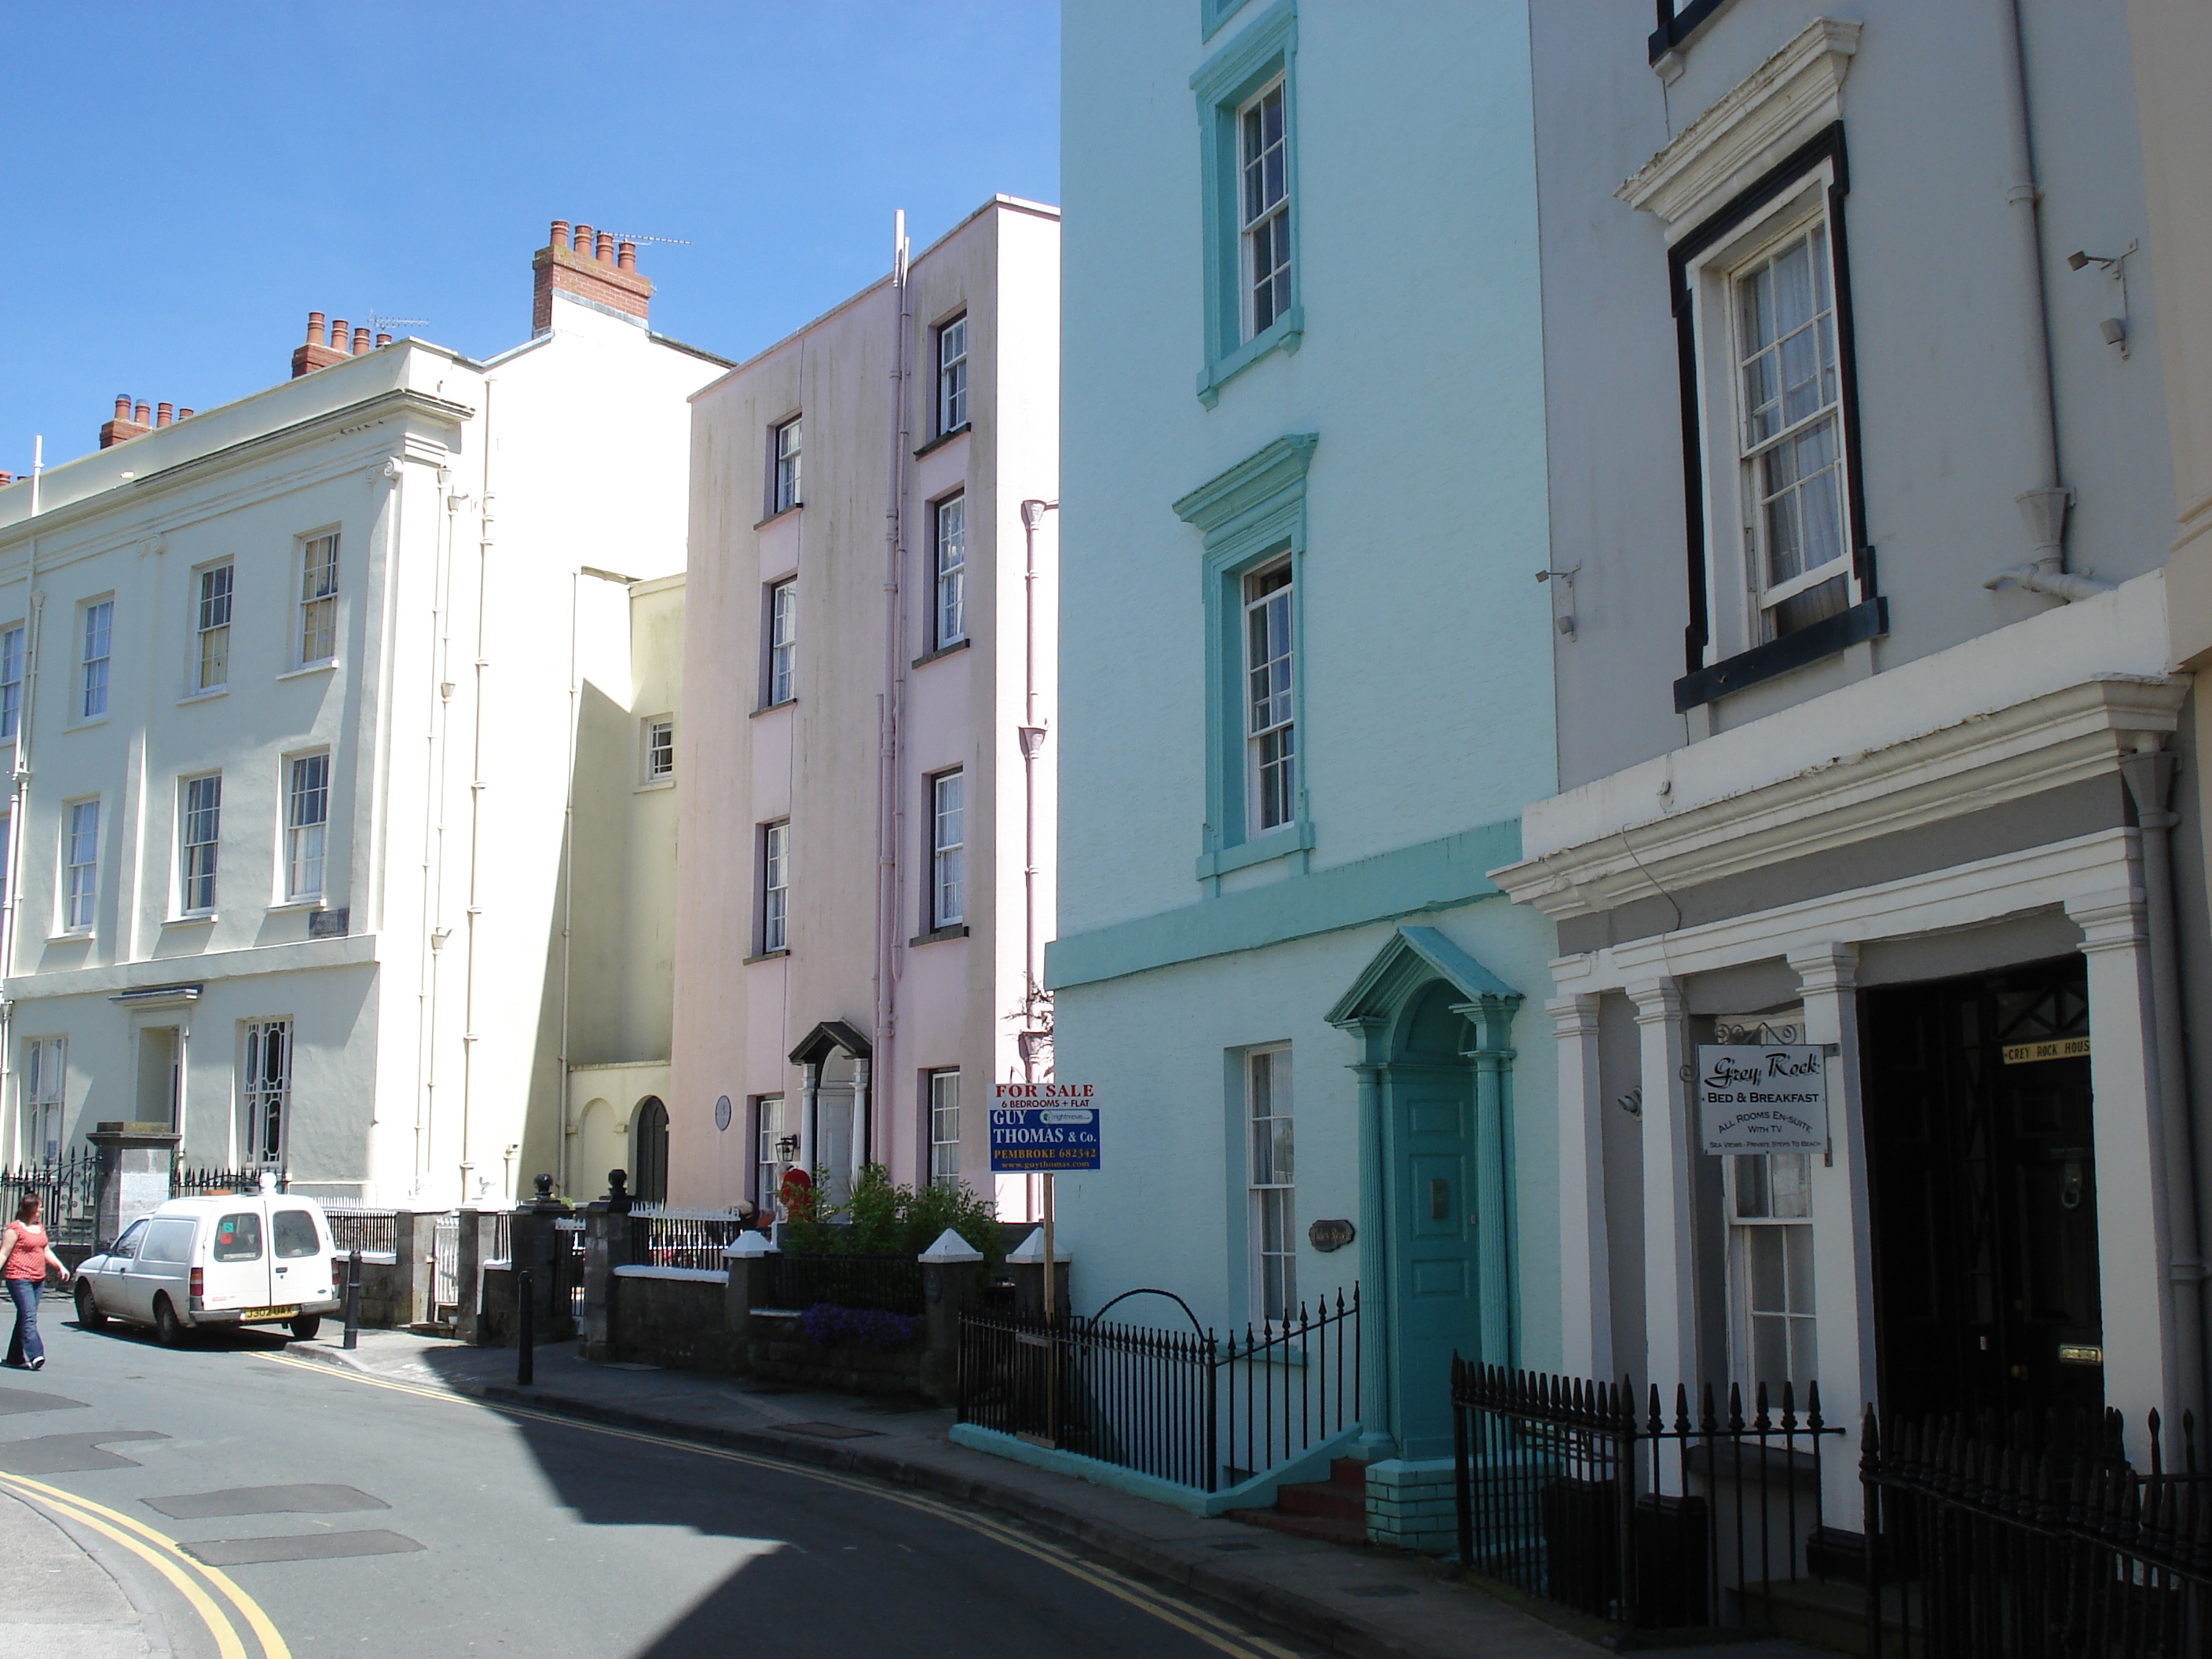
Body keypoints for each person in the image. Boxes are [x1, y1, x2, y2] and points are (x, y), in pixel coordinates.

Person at [3, 1195, 71, 1371]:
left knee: (24, 1317)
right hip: (19, 1278)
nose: (42, 1210)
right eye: (39, 1207)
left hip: (38, 1279)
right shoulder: (14, 1229)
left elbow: (45, 1250)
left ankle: (14, 1357)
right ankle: (36, 1354)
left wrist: (60, 1267)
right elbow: (3, 1253)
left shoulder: (39, 1227)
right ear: (32, 1209)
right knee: (29, 1316)